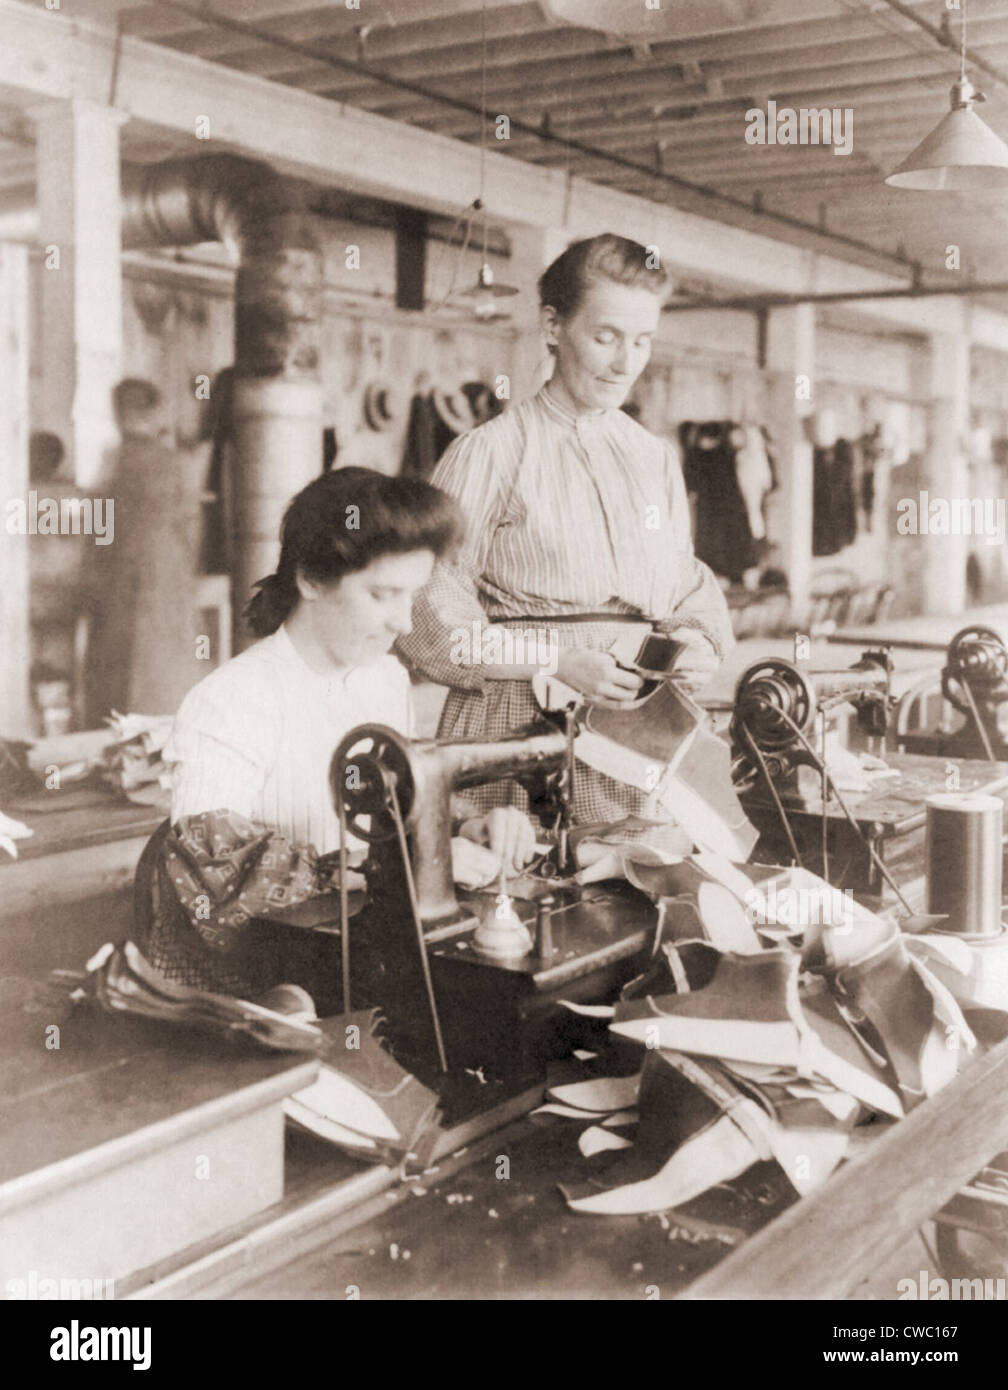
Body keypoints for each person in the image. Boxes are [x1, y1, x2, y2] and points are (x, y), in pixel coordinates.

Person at [152, 468, 537, 996]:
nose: (404, 622)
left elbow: (395, 811)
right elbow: (213, 877)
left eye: (413, 596)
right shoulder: (231, 699)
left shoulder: (384, 678)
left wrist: (462, 832)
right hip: (253, 982)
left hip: (352, 948)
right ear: (311, 579)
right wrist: (372, 871)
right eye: (382, 595)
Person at [397, 233, 734, 829]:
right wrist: (553, 661)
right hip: (518, 730)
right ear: (553, 326)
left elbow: (687, 584)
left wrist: (699, 644)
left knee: (640, 887)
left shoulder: (653, 458)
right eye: (605, 337)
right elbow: (428, 611)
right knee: (520, 898)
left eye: (642, 341)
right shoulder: (490, 453)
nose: (625, 362)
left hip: (639, 729)